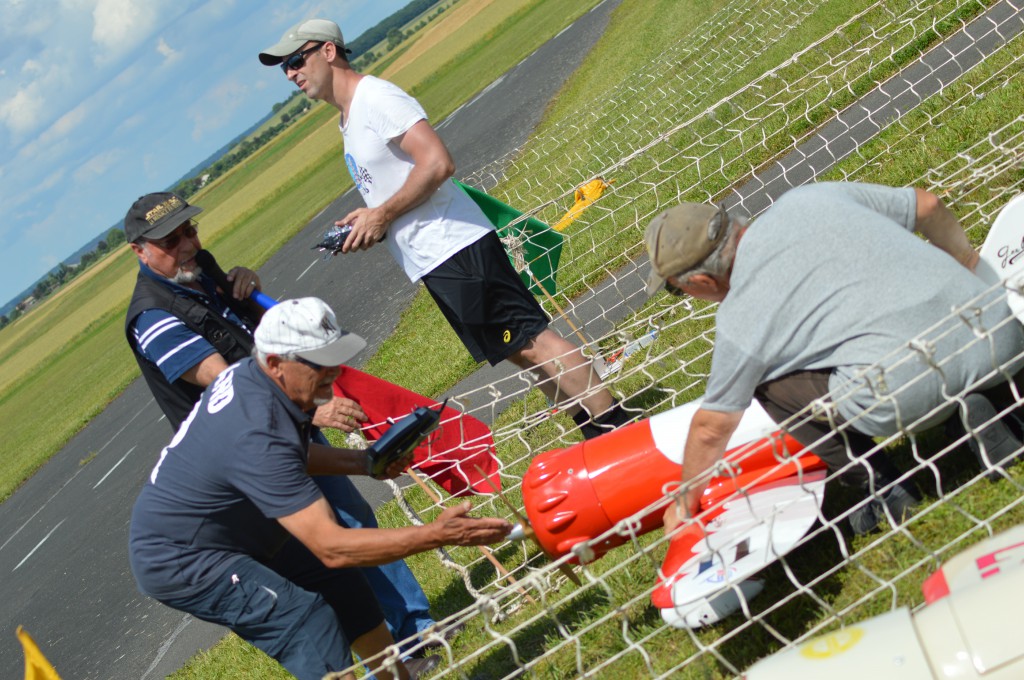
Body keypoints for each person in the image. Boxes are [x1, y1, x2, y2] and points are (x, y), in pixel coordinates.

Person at [256, 18, 631, 439]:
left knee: (534, 341)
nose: (290, 73)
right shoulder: (349, 117)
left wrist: (381, 215)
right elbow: (395, 185)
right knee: (519, 352)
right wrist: (370, 219)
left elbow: (437, 162)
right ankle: (595, 433)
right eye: (284, 67)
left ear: (328, 51)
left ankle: (619, 428)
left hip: (455, 244)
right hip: (434, 257)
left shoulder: (375, 98)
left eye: (294, 60)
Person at [122, 192, 447, 664]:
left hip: (283, 417)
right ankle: (412, 638)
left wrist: (253, 295)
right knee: (333, 548)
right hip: (251, 445)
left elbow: (262, 341)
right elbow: (218, 372)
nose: (187, 243)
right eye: (170, 240)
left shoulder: (200, 270)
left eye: (189, 230)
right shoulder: (152, 314)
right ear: (141, 251)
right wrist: (314, 409)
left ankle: (403, 647)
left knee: (345, 541)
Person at [129, 297, 512, 680]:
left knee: (345, 585)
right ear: (277, 363)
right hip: (183, 556)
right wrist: (435, 535)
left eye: (334, 356)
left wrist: (364, 463)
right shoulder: (255, 429)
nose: (332, 371)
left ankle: (397, 676)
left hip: (237, 526)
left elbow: (293, 453)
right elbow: (332, 547)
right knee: (306, 622)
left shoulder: (260, 378)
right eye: (318, 363)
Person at [644, 182, 1024, 535]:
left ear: (701, 282)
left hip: (907, 393)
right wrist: (967, 261)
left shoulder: (737, 318)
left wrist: (684, 503)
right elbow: (928, 205)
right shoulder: (810, 198)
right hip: (999, 331)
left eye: (679, 292)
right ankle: (994, 403)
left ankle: (880, 486)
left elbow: (712, 426)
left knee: (766, 382)